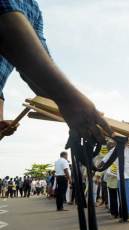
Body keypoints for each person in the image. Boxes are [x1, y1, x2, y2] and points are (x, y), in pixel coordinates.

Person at [0, 0, 111, 142]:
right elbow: (5, 26)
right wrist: (70, 100)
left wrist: (81, 114)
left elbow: (35, 71)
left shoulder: (33, 8)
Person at [100, 144, 129, 222]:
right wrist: (95, 168)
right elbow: (104, 160)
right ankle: (124, 216)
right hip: (121, 178)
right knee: (123, 197)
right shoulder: (114, 150)